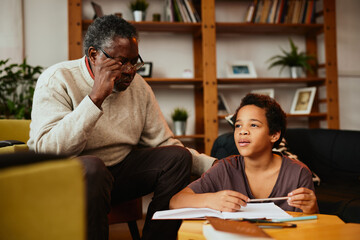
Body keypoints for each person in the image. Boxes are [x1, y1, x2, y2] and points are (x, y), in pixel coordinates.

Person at [28, 15, 214, 240]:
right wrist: (95, 98)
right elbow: (48, 151)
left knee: (177, 157)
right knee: (93, 168)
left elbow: (164, 142)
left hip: (118, 173)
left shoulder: (139, 88)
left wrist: (216, 166)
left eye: (134, 62)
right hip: (69, 176)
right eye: (120, 62)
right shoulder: (57, 79)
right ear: (94, 55)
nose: (130, 70)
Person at [170, 93, 318, 214]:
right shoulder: (224, 169)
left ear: (274, 135)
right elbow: (176, 201)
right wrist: (211, 200)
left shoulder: (298, 173)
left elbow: (311, 227)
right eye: (238, 125)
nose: (243, 131)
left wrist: (312, 209)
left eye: (253, 125)